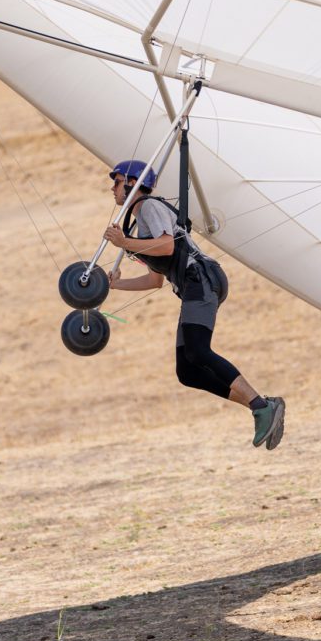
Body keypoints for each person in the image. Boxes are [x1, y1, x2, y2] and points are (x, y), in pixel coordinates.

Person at [103, 159, 285, 450]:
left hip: (200, 278)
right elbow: (155, 280)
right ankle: (262, 405)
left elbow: (167, 246)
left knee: (198, 351)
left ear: (133, 183)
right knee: (187, 371)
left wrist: (124, 242)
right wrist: (115, 285)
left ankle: (261, 407)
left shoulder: (148, 207)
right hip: (193, 285)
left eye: (117, 182)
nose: (112, 188)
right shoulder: (140, 222)